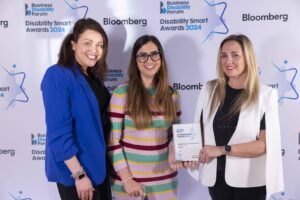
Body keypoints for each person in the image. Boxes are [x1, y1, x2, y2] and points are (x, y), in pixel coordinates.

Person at [190, 34, 284, 200]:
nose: (228, 61)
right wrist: (187, 154)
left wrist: (221, 150)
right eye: (224, 56)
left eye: (235, 55)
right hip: (217, 180)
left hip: (251, 182)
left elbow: (262, 145)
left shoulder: (266, 95)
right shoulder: (209, 89)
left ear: (248, 58)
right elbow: (196, 131)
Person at [41, 18, 112, 200]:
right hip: (78, 175)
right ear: (73, 44)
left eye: (100, 45)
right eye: (87, 43)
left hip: (98, 170)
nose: (94, 51)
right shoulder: (57, 75)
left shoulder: (92, 78)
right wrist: (79, 175)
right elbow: (58, 133)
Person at [107, 35, 182, 200]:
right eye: (142, 55)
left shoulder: (172, 94)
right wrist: (127, 179)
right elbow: (113, 142)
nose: (149, 60)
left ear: (161, 57)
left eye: (155, 54)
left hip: (166, 182)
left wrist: (174, 149)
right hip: (130, 184)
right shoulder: (122, 93)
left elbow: (175, 135)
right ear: (135, 60)